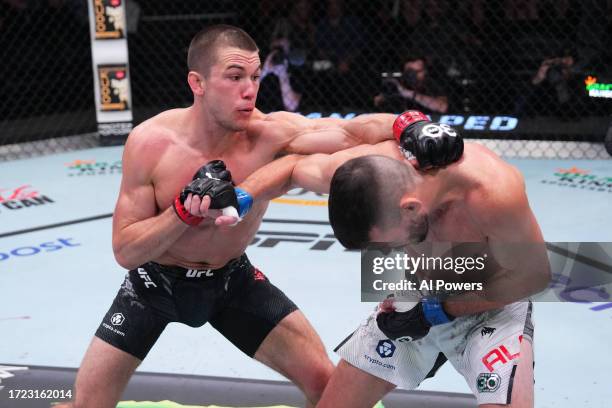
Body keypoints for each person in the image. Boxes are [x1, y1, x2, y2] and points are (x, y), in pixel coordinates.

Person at [56, 26, 462, 408]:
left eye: (254, 76)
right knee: (86, 405)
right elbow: (126, 250)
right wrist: (182, 211)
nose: (249, 90)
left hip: (232, 282)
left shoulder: (271, 134)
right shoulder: (151, 143)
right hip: (151, 286)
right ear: (197, 83)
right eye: (234, 77)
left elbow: (354, 132)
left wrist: (409, 124)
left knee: (328, 389)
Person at [228, 111, 550, 407]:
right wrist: (238, 196)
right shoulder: (368, 172)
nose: (383, 255)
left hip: (489, 305)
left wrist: (437, 312)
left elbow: (534, 276)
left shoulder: (492, 191)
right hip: (414, 297)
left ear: (410, 208)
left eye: (386, 244)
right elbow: (294, 166)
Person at [375, 56, 449, 114]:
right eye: (409, 72)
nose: (412, 75)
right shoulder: (400, 83)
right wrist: (385, 95)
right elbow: (377, 102)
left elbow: (442, 107)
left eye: (416, 72)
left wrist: (409, 94)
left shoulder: (431, 84)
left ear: (425, 71)